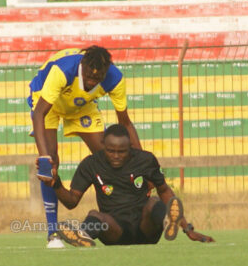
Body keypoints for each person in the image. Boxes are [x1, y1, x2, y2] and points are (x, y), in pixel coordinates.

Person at [28, 46, 142, 248]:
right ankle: (53, 233)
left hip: (82, 108)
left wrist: (141, 161)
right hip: (47, 104)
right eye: (88, 77)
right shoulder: (63, 71)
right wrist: (44, 156)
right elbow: (39, 114)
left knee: (108, 158)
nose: (91, 82)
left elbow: (125, 122)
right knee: (51, 161)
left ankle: (116, 220)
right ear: (82, 67)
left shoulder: (115, 79)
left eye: (96, 80)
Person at [37, 124, 215, 246]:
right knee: (95, 215)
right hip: (115, 232)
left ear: (130, 147)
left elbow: (164, 191)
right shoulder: (91, 164)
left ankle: (168, 223)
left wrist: (188, 228)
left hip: (147, 231)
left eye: (121, 152)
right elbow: (71, 201)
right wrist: (56, 183)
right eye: (110, 151)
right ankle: (82, 236)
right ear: (102, 146)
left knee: (154, 202)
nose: (116, 156)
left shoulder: (145, 160)